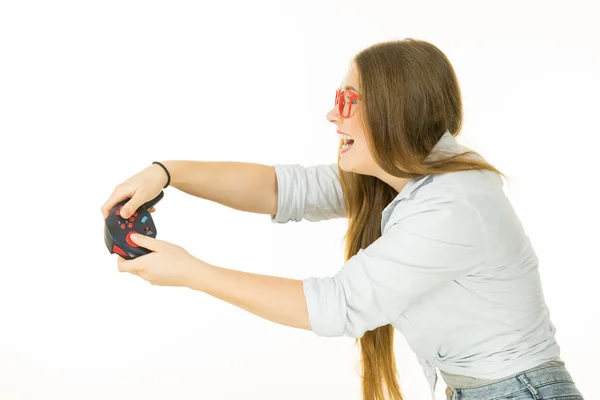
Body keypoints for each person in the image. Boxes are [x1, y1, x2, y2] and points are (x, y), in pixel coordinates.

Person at [101, 38, 585, 400]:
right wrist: (167, 173)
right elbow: (286, 190)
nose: (332, 115)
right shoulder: (405, 170)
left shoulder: (453, 205)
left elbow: (338, 306)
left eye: (349, 100)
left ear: (395, 112)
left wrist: (193, 273)